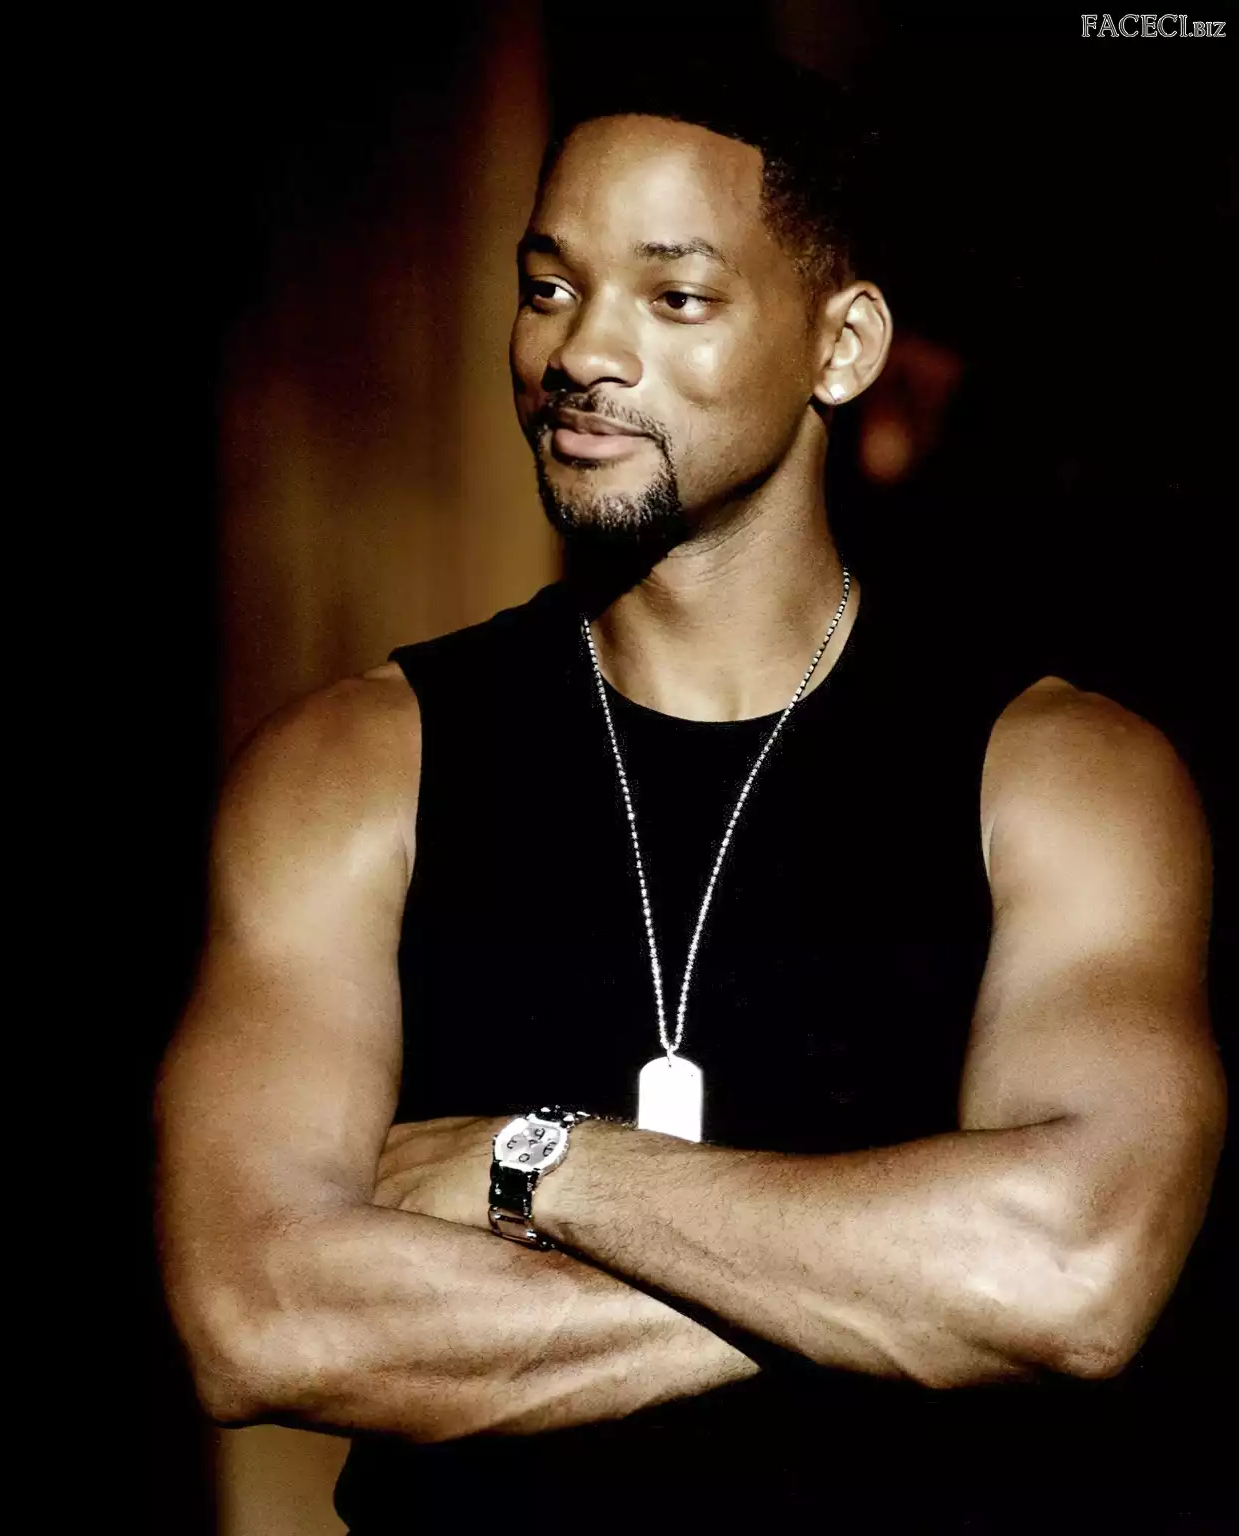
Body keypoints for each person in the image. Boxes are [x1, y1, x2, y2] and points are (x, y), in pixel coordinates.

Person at [154, 54, 1223, 1530]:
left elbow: (1065, 1278)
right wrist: (893, 1293)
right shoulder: (353, 767)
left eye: (675, 296)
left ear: (842, 346)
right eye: (548, 288)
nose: (582, 350)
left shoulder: (1057, 773)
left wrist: (543, 1166)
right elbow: (259, 1319)